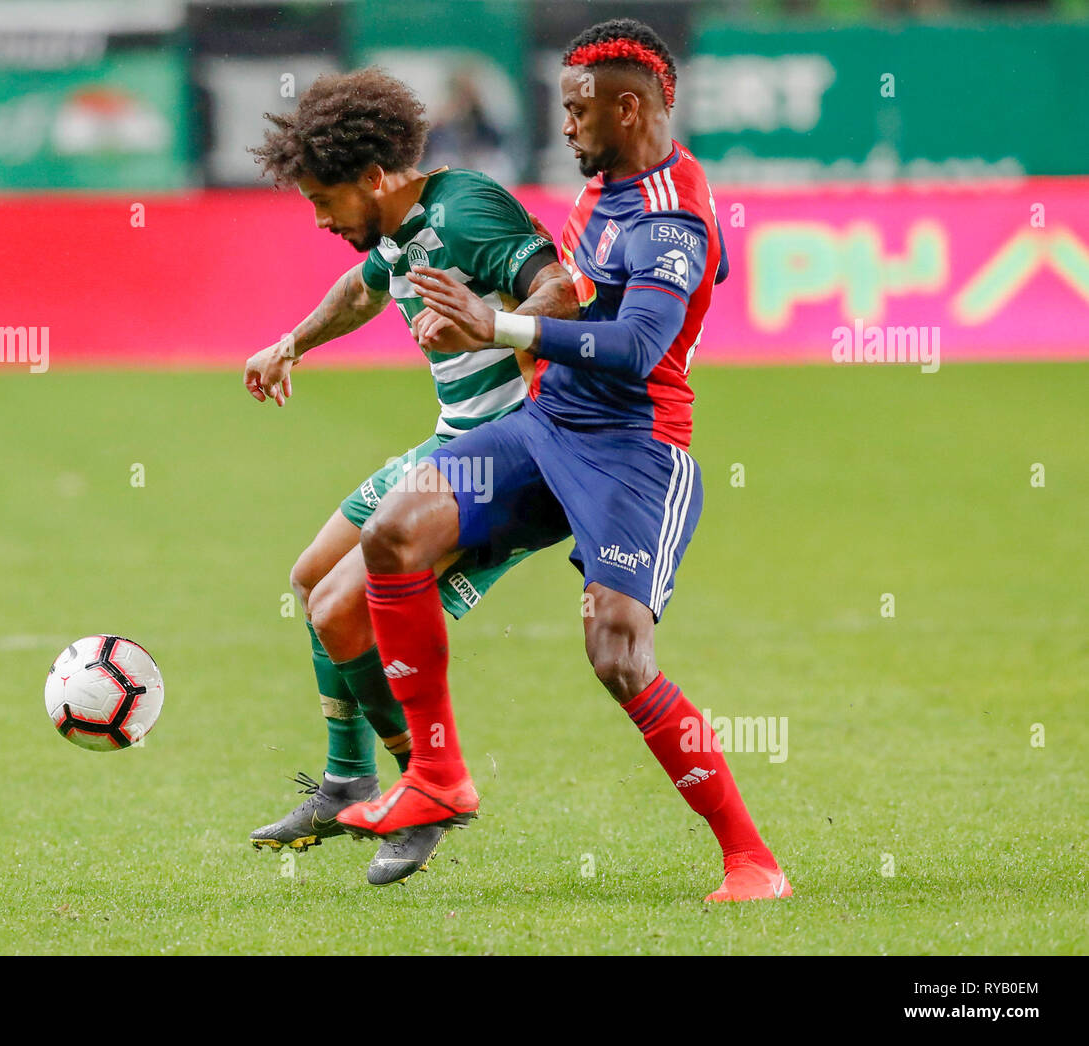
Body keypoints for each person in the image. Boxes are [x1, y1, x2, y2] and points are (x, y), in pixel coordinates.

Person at [335, 20, 791, 902]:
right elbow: (594, 292)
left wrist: (496, 325)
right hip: (546, 426)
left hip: (633, 452)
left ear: (630, 108)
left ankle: (751, 860)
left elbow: (636, 345)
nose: (568, 125)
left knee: (619, 656)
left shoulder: (670, 222)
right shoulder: (618, 182)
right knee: (393, 534)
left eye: (579, 111)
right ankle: (437, 776)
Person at [243, 68, 578, 885]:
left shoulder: (467, 210)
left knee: (343, 609)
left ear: (373, 176)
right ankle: (347, 780)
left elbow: (564, 292)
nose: (320, 219)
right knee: (311, 581)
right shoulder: (394, 226)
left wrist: (490, 325)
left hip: (513, 458)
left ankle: (428, 789)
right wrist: (291, 342)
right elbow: (363, 291)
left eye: (324, 200)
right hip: (450, 442)